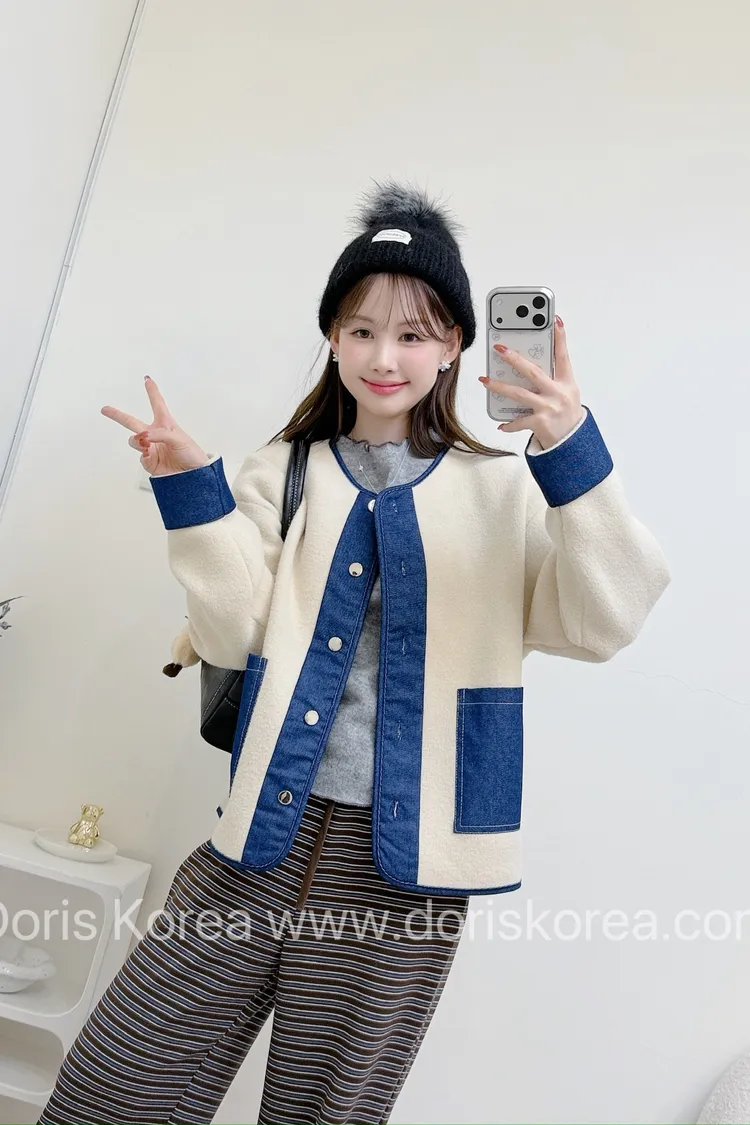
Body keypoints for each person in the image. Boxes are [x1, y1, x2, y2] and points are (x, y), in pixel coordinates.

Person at [38, 179, 671, 1125]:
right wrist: (194, 492)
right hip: (260, 837)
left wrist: (570, 449)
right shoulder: (281, 471)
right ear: (333, 336)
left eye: (413, 333)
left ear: (454, 345)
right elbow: (233, 632)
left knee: (325, 1113)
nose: (384, 356)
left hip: (407, 869)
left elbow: (604, 620)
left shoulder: (502, 491)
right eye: (362, 329)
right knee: (114, 1092)